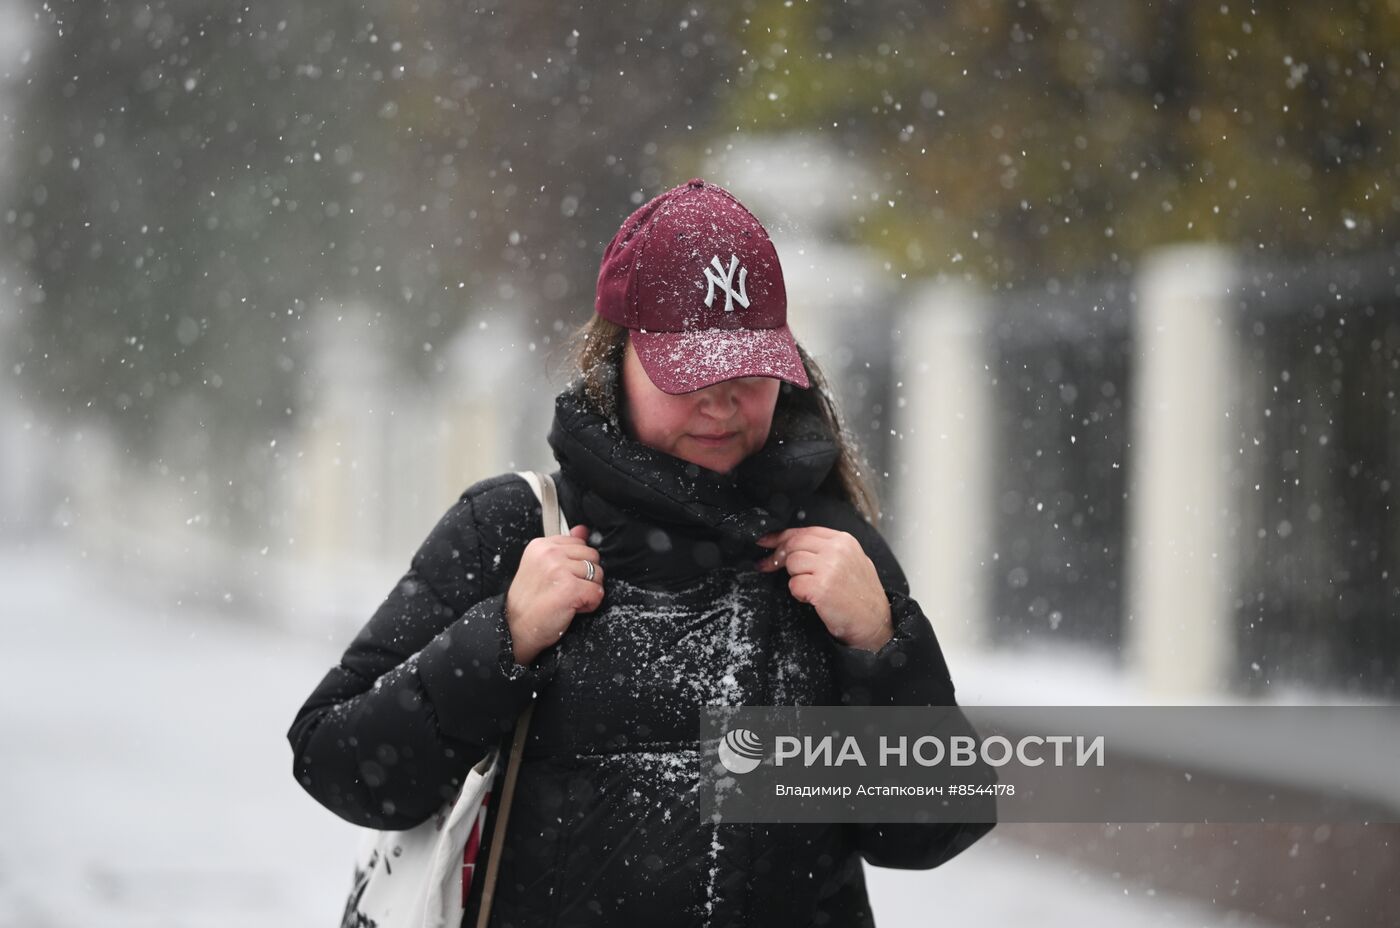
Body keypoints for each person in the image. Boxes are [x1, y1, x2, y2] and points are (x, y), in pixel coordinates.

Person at [287, 177, 995, 927]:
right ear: (615, 359)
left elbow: (928, 831)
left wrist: (880, 647)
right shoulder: (512, 532)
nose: (721, 402)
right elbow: (336, 761)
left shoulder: (834, 557)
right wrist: (503, 639)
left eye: (748, 373)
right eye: (690, 372)